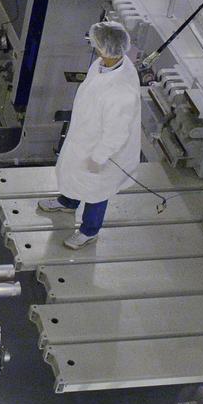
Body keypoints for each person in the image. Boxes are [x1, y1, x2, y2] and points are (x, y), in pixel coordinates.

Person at [38, 20, 142, 250]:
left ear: (106, 49)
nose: (93, 46)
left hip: (103, 151)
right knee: (74, 174)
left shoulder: (121, 93)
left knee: (96, 191)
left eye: (96, 44)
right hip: (85, 136)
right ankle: (67, 201)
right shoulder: (104, 63)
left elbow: (116, 134)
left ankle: (89, 231)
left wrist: (98, 157)